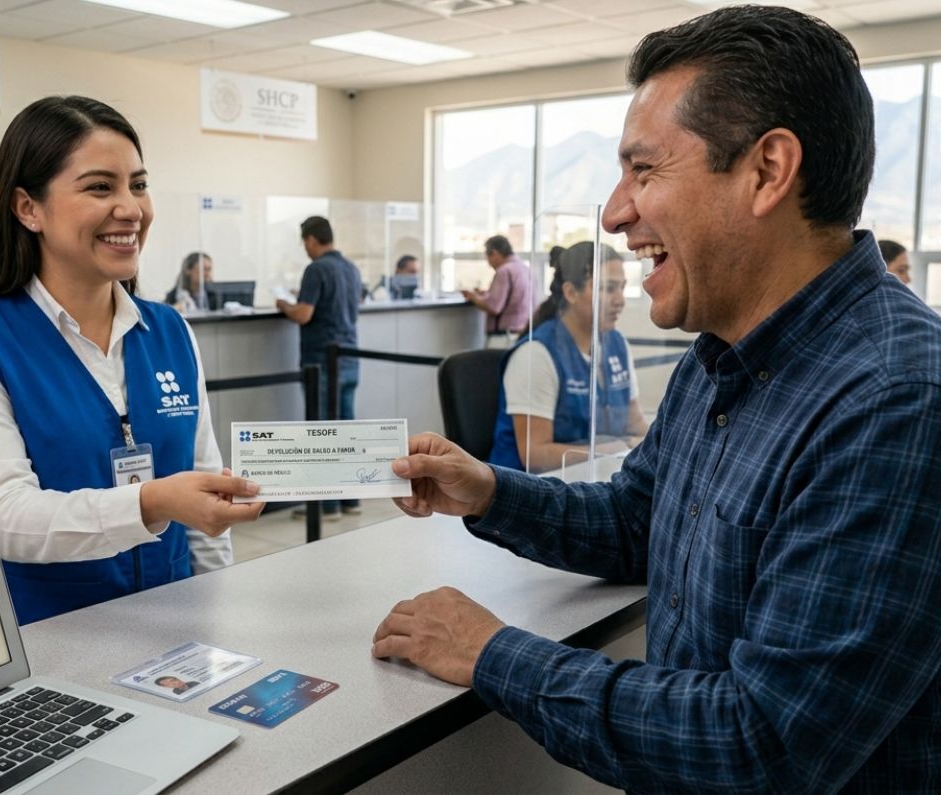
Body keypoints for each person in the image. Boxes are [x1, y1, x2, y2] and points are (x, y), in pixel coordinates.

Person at [372, 7, 941, 792]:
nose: (613, 214)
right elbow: (637, 520)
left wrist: (490, 651)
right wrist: (492, 491)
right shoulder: (719, 357)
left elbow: (763, 744)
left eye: (645, 171)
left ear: (769, 171)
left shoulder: (895, 400)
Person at [0, 96, 263, 625]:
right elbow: (3, 516)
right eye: (100, 187)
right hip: (52, 645)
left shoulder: (168, 329)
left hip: (173, 634)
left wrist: (214, 611)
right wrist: (149, 503)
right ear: (28, 208)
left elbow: (204, 484)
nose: (131, 209)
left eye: (138, 185)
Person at [489, 242, 648, 472]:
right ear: (571, 292)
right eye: (608, 288)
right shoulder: (537, 354)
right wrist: (618, 447)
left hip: (593, 479)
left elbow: (636, 425)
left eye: (621, 288)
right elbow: (535, 456)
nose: (620, 300)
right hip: (531, 490)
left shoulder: (617, 344)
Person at [276, 216, 363, 519]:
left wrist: (284, 305)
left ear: (311, 240)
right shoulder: (351, 269)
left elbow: (303, 314)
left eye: (305, 243)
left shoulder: (317, 269)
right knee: (346, 434)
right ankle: (351, 500)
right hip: (350, 360)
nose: (306, 249)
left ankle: (326, 506)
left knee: (322, 434)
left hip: (321, 363)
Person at [462, 235, 532, 349]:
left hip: (503, 338)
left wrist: (472, 297)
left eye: (488, 257)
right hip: (522, 334)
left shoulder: (504, 271)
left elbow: (494, 307)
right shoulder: (525, 269)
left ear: (494, 253)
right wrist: (486, 294)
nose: (488, 263)